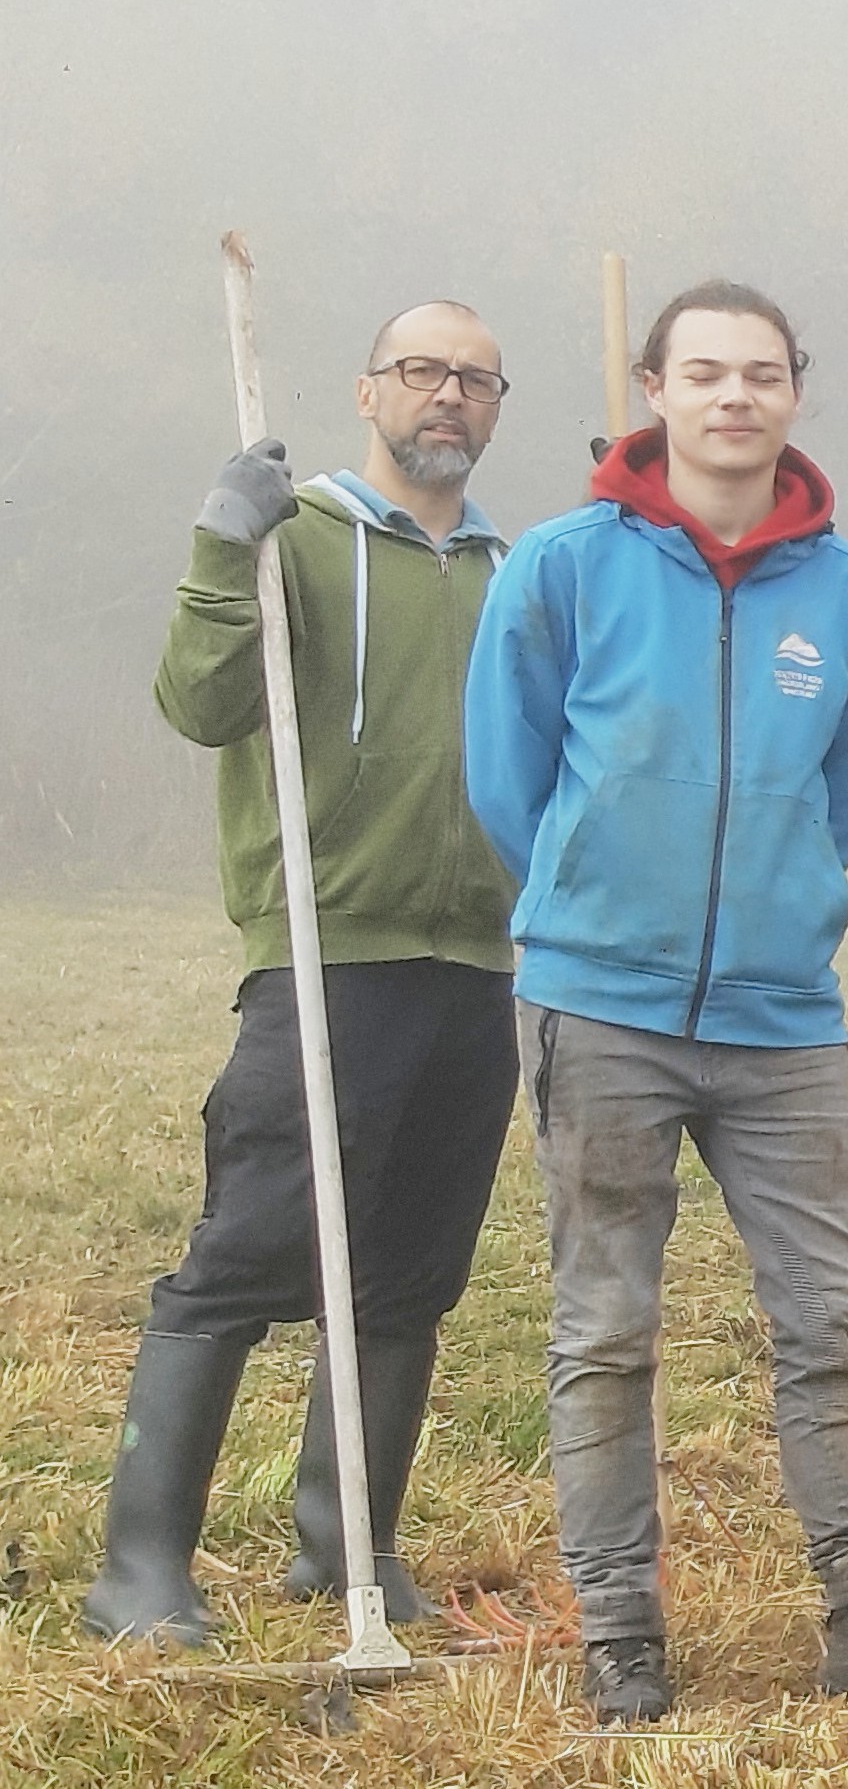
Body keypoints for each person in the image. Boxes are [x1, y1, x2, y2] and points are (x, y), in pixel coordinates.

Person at [460, 280, 848, 1718]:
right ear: (655, 387)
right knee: (605, 1329)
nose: (732, 396)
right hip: (601, 1009)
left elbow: (838, 800)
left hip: (782, 1019)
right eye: (702, 371)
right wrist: (595, 907)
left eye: (759, 373)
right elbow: (508, 778)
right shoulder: (565, 567)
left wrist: (766, 909)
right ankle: (619, 1640)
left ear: (794, 393)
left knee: (829, 1320)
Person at [83, 301, 524, 1646]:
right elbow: (199, 703)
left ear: (495, 406)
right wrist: (223, 545)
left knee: (409, 1273)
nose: (446, 395)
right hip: (331, 950)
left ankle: (347, 1547)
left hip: (483, 963)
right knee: (253, 1250)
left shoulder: (517, 573)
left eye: (474, 378)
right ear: (367, 391)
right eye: (420, 371)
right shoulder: (296, 541)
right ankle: (139, 1566)